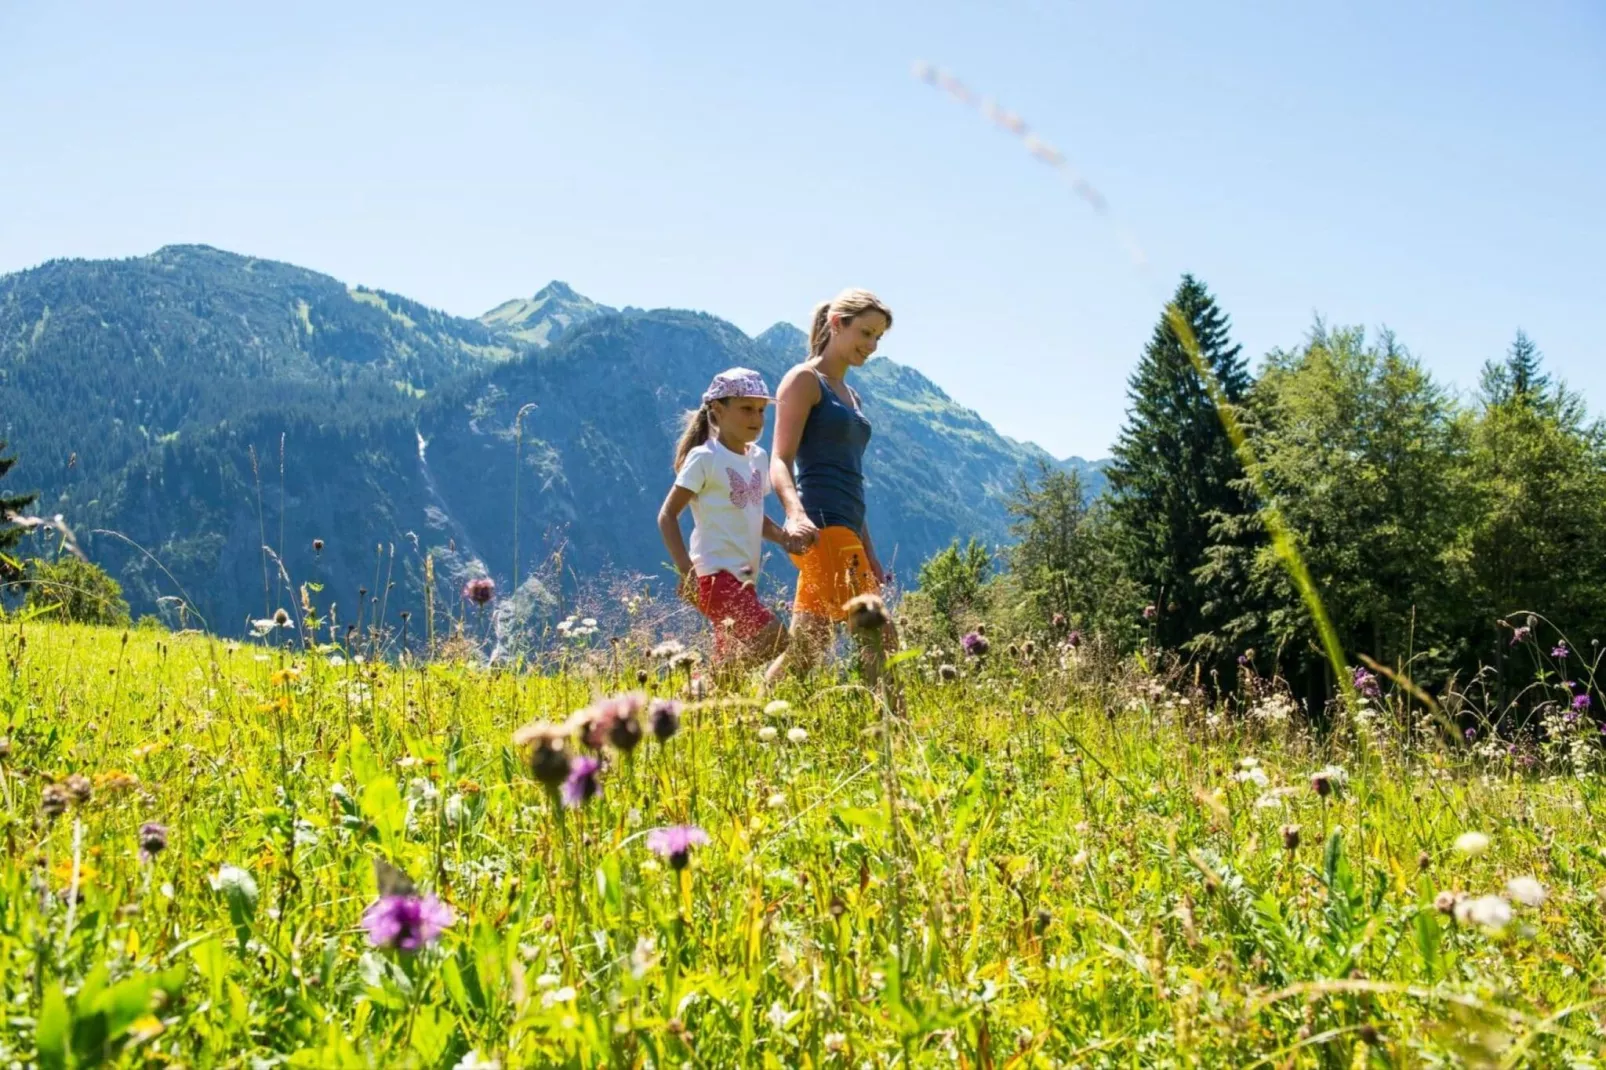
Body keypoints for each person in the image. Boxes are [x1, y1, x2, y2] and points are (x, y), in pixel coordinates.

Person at [765, 288, 897, 681]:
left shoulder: (852, 396)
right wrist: (794, 513)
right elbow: (779, 459)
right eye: (865, 333)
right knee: (880, 636)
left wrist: (869, 550)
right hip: (822, 527)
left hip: (847, 529)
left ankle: (750, 720)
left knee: (808, 647)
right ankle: (898, 730)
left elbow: (850, 478)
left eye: (878, 337)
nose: (871, 346)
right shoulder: (805, 380)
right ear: (837, 324)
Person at [658, 367, 802, 669]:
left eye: (761, 410)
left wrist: (783, 538)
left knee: (731, 661)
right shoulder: (705, 458)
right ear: (717, 411)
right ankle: (710, 689)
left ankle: (700, 700)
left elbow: (753, 512)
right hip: (713, 577)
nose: (757, 418)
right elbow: (668, 516)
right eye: (746, 409)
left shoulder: (758, 458)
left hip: (745, 579)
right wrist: (687, 572)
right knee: (775, 639)